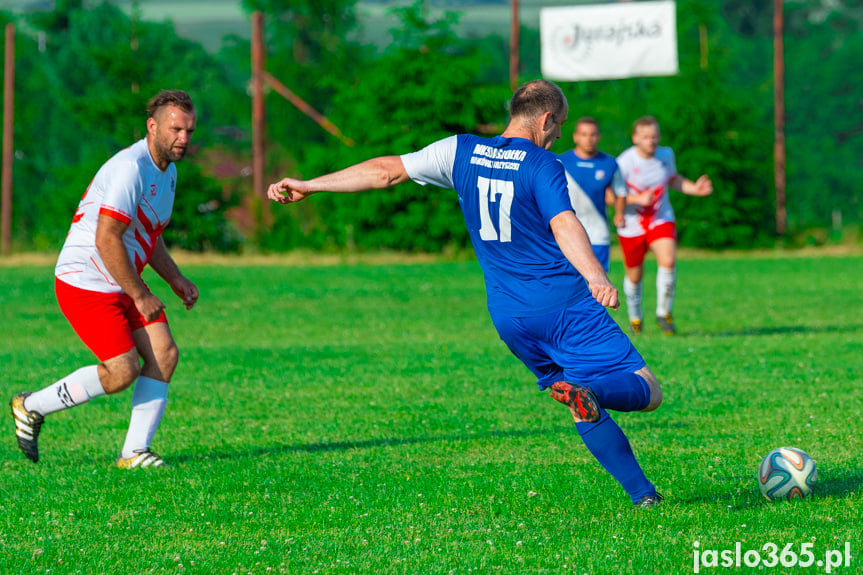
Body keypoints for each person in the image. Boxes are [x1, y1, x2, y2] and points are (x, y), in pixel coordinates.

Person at [267, 80, 665, 507]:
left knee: (576, 397)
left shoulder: (460, 150)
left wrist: (310, 184)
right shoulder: (542, 163)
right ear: (545, 119)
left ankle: (644, 498)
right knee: (647, 390)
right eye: (560, 126)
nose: (560, 136)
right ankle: (602, 404)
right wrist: (596, 276)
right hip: (561, 303)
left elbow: (385, 171)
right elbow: (564, 222)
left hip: (509, 317)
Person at [9, 89, 199, 468]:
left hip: (119, 277)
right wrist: (142, 294)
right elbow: (107, 237)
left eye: (189, 131)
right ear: (153, 126)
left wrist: (175, 278)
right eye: (176, 129)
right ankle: (30, 406)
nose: (184, 138)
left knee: (164, 354)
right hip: (86, 281)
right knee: (121, 371)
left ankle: (133, 453)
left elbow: (149, 232)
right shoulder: (130, 168)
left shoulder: (168, 171)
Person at [616, 116, 713, 335]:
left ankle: (664, 313)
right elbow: (611, 195)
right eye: (646, 137)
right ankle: (635, 318)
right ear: (635, 138)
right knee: (635, 274)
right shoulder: (624, 162)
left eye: (655, 136)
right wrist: (636, 200)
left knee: (668, 260)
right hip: (632, 224)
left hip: (661, 218)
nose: (651, 141)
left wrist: (694, 188)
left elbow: (674, 179)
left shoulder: (666, 155)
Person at [557, 117, 627, 272]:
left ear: (599, 137)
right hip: (566, 232)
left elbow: (621, 193)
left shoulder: (610, 164)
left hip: (597, 232)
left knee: (598, 285)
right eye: (584, 134)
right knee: (567, 283)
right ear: (575, 137)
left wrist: (620, 213)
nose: (589, 139)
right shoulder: (560, 162)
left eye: (593, 134)